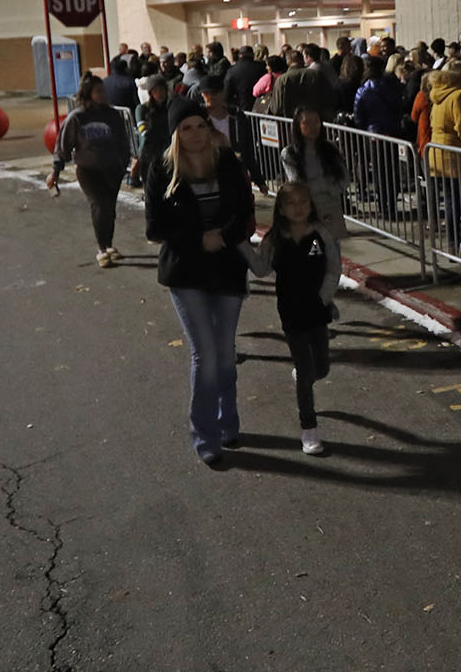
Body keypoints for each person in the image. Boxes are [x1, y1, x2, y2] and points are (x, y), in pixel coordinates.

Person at [146, 98, 257, 469]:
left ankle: (230, 422)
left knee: (225, 351)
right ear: (176, 133)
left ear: (209, 128)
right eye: (186, 127)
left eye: (199, 125)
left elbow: (244, 212)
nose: (194, 134)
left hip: (226, 267)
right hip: (186, 271)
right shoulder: (162, 169)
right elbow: (155, 227)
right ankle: (205, 436)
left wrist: (220, 236)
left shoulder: (226, 163)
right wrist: (199, 238)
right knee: (205, 355)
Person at [260, 181, 342, 456]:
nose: (298, 208)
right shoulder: (274, 239)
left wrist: (324, 297)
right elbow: (261, 268)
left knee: (321, 368)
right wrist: (240, 247)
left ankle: (303, 375)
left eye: (303, 202)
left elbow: (334, 267)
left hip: (317, 311)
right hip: (291, 313)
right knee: (306, 370)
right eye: (291, 203)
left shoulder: (320, 234)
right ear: (281, 209)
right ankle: (309, 428)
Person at [47, 74, 133, 268]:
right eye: (99, 91)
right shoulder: (77, 117)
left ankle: (109, 244)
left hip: (112, 168)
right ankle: (101, 249)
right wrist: (56, 171)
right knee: (99, 206)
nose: (103, 94)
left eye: (104, 90)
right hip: (89, 170)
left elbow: (123, 141)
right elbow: (63, 145)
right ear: (89, 94)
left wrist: (123, 163)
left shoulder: (113, 115)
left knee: (109, 209)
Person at [427, 59, 461, 250]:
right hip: (456, 155)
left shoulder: (437, 94)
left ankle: (452, 243)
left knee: (450, 201)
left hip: (438, 153)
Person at [279, 107, 349, 239]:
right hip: (308, 213)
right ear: (298, 126)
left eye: (316, 122)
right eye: (307, 123)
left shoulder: (331, 149)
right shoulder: (290, 154)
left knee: (333, 252)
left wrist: (330, 189)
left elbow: (344, 179)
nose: (313, 127)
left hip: (331, 210)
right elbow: (298, 184)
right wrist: (324, 184)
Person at [198, 75, 268, 195]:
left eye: (214, 92)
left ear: (223, 92)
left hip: (236, 171)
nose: (210, 97)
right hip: (208, 172)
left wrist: (258, 179)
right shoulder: (198, 118)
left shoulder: (237, 117)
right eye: (205, 93)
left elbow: (248, 149)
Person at [131, 73, 172, 188]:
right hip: (149, 154)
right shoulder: (142, 109)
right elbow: (144, 134)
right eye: (155, 90)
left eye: (162, 89)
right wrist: (139, 157)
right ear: (150, 92)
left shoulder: (171, 106)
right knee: (150, 187)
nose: (159, 93)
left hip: (168, 153)